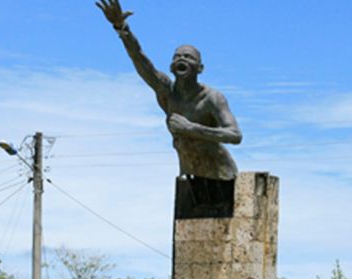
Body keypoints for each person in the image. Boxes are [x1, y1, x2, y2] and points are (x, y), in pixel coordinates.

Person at [97, 0, 243, 182]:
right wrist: (121, 28)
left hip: (221, 176)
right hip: (188, 176)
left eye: (188, 57)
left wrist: (191, 128)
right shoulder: (167, 91)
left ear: (200, 68)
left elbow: (235, 135)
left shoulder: (212, 98)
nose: (181, 59)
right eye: (177, 57)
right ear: (172, 67)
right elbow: (141, 61)